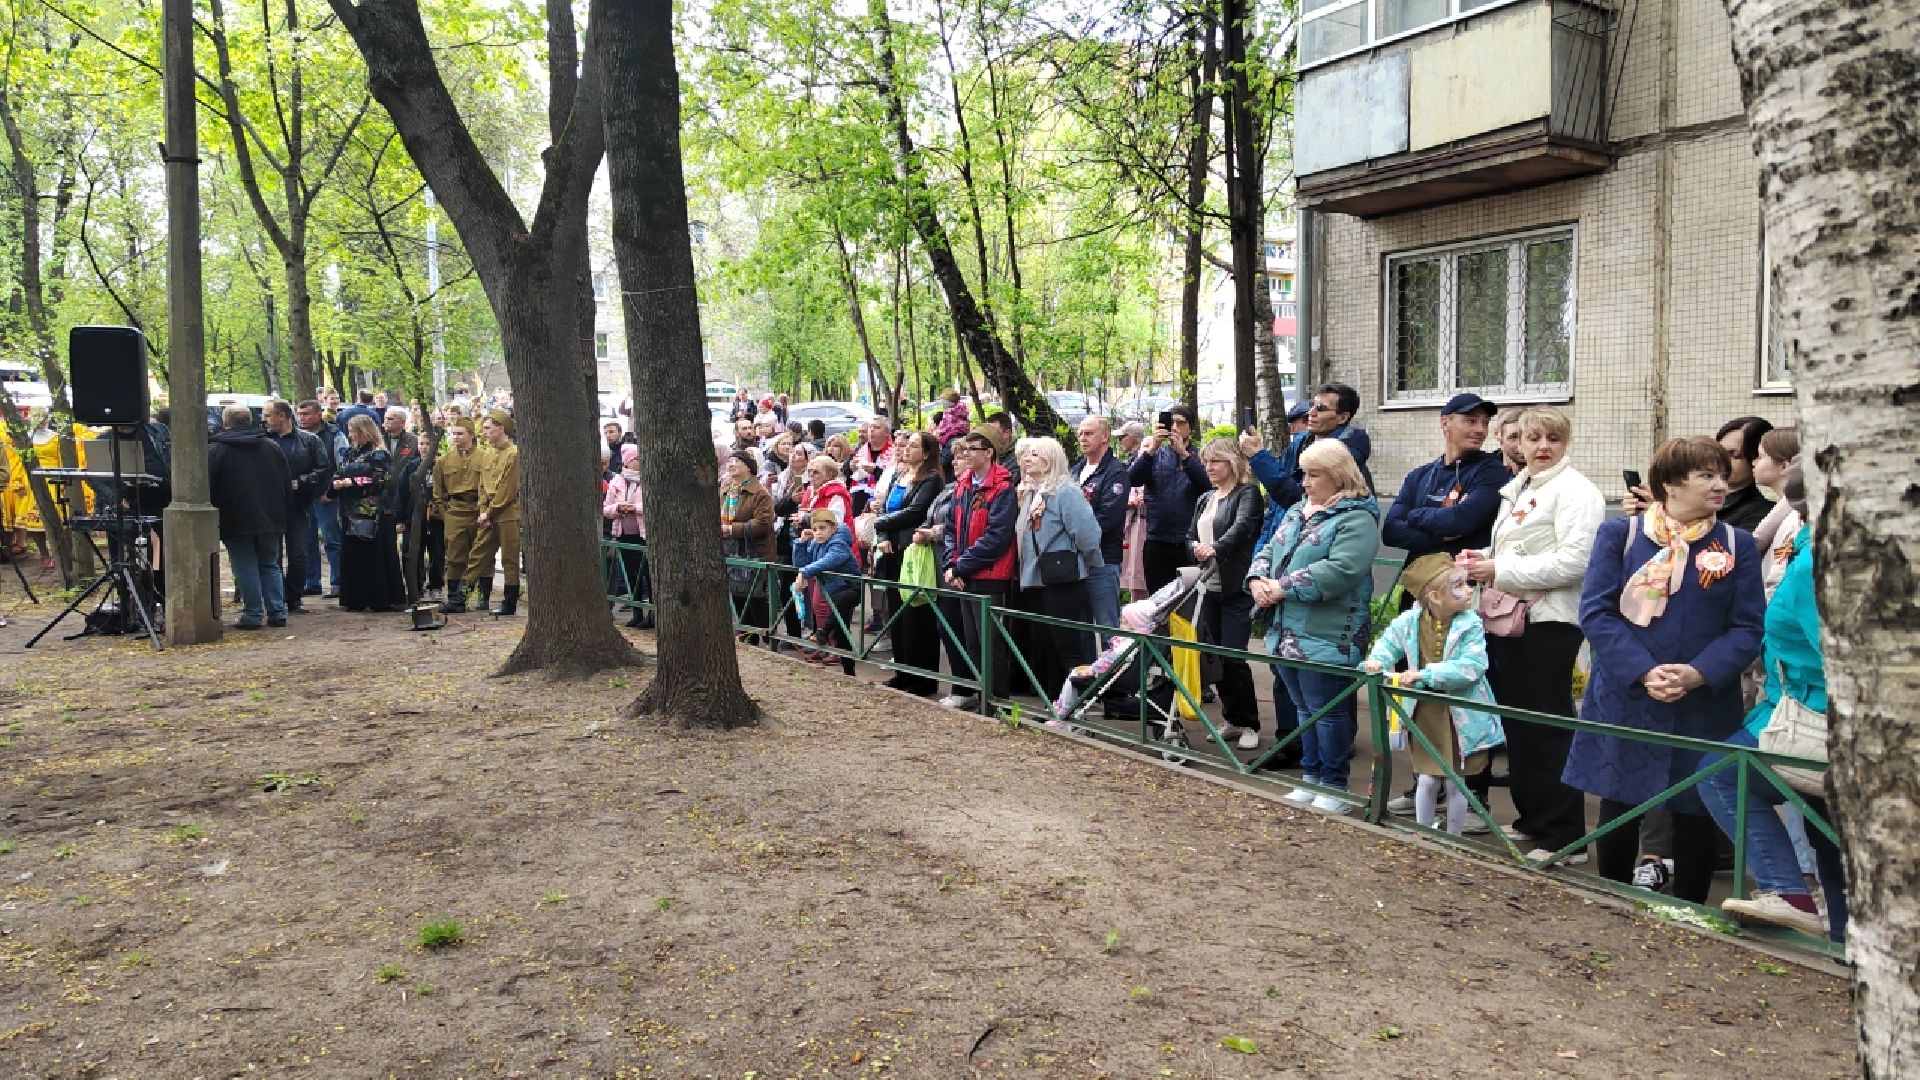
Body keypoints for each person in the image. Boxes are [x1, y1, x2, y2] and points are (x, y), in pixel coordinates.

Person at [1565, 436, 1764, 901]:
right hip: (1628, 691)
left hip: (1701, 698)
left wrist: (1698, 673)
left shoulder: (1737, 543)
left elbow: (1747, 625)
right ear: (1672, 484)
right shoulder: (1622, 535)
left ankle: (1691, 907)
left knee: (1696, 805)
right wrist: (1642, 671)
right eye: (1707, 476)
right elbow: (1596, 612)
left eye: (1722, 474)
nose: (1721, 484)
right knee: (1619, 799)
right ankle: (1612, 897)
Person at [1699, 463, 1845, 939]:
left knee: (1721, 771)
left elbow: (1839, 657)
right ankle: (1846, 943)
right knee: (1830, 831)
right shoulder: (1813, 551)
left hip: (1812, 715)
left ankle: (1789, 892)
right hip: (1800, 710)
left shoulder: (1815, 564)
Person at [1459, 405, 1604, 861]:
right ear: (1516, 442)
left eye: (1552, 439)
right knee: (1519, 724)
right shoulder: (1521, 486)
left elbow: (1576, 561)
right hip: (1512, 616)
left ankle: (1564, 835)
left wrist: (1498, 567)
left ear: (1566, 443)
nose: (1542, 447)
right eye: (1531, 438)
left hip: (1549, 621)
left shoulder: (1576, 491)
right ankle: (1534, 818)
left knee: (1545, 727)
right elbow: (1518, 543)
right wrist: (1480, 556)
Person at [1245, 439, 1381, 811]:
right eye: (1304, 473)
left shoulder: (1357, 518)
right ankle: (1311, 777)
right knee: (1304, 710)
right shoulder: (1297, 511)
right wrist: (1258, 580)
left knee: (1329, 712)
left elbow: (1342, 569)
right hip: (1286, 631)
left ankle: (1334, 787)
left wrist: (1282, 587)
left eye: (1314, 474)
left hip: (1328, 633)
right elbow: (1269, 549)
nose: (1305, 482)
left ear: (1338, 476)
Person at [1364, 553, 1505, 835]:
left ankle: (1452, 835)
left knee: (1456, 782)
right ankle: (1423, 831)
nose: (1468, 590)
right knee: (1427, 779)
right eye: (1459, 586)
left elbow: (1472, 666)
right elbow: (1388, 643)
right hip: (1426, 712)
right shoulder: (1409, 621)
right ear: (1435, 597)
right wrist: (1377, 660)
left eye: (1467, 584)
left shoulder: (1471, 624)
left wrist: (1426, 675)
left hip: (1462, 713)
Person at [1187, 437, 1265, 749]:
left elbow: (1242, 527)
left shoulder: (1247, 493)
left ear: (1232, 462)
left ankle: (1250, 724)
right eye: (1206, 462)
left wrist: (1215, 548)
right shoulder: (1205, 497)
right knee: (1215, 657)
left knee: (1234, 656)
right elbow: (1190, 533)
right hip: (1208, 588)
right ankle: (1231, 718)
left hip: (1236, 587)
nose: (1209, 468)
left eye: (1215, 461)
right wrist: (1194, 547)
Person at [1012, 436, 1104, 697]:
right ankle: (1055, 701)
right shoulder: (1033, 493)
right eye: (1026, 454)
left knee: (1066, 646)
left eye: (1034, 455)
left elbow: (1087, 533)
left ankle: (1075, 706)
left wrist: (1084, 561)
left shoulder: (1065, 491)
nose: (1026, 459)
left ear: (1050, 460)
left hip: (1061, 579)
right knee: (1046, 645)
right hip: (1036, 578)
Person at [1380, 393, 1506, 568]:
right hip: (1419, 585)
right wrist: (1442, 536)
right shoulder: (1419, 475)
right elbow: (1390, 532)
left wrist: (1414, 514)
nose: (1481, 430)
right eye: (1471, 421)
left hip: (1464, 585)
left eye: (1485, 423)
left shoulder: (1491, 472)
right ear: (1445, 423)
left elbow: (1458, 521)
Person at [940, 433, 1018, 709]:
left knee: (991, 642)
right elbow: (951, 528)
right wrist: (951, 564)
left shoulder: (1002, 486)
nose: (967, 454)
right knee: (972, 642)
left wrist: (962, 565)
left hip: (990, 576)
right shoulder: (963, 484)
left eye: (974, 449)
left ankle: (998, 702)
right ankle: (983, 696)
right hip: (964, 574)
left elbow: (997, 536)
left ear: (989, 453)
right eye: (965, 450)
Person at [869, 431, 944, 695]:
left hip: (913, 550)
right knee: (898, 614)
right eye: (907, 444)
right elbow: (886, 510)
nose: (907, 449)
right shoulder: (900, 475)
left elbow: (915, 512)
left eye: (914, 446)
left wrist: (877, 524)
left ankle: (922, 678)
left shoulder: (931, 479)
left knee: (917, 615)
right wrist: (883, 535)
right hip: (892, 549)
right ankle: (902, 672)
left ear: (926, 453)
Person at [208, 404, 292, 629]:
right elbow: (285, 481)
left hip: (235, 516)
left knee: (245, 565)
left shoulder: (217, 450)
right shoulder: (271, 446)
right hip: (270, 515)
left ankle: (253, 614)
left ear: (225, 423)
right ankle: (277, 611)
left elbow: (211, 486)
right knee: (270, 564)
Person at [1248, 381, 1373, 511]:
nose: (1311, 413)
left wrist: (1259, 457)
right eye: (1312, 406)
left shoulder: (1344, 452)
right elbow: (1276, 507)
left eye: (1320, 408)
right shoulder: (1300, 442)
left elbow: (1299, 500)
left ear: (1342, 418)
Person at [1126, 404, 1207, 592]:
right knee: (1158, 604)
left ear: (1191, 428)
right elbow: (1132, 479)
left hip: (1189, 543)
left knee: (1187, 607)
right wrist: (1152, 448)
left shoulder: (1200, 457)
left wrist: (1184, 455)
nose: (1175, 427)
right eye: (1171, 422)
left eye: (1181, 422)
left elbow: (1206, 487)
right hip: (1157, 541)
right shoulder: (1155, 455)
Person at [331, 414, 405, 613]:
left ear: (364, 432)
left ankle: (380, 598)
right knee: (354, 555)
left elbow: (382, 480)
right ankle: (356, 598)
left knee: (375, 556)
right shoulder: (350, 454)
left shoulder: (379, 454)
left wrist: (352, 482)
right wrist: (337, 483)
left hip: (375, 512)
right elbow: (340, 471)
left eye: (353, 431)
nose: (350, 435)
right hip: (350, 510)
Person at [262, 400, 328, 615]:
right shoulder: (262, 440)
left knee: (299, 552)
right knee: (272, 554)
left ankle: (294, 596)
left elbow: (324, 469)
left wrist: (301, 482)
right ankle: (277, 597)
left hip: (299, 504)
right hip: (269, 505)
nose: (264, 419)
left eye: (268, 415)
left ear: (282, 416)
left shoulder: (309, 440)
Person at [1049, 601, 1157, 725]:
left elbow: (1111, 660)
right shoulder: (1135, 639)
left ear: (1134, 624)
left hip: (1108, 674)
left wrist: (1093, 669)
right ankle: (1064, 709)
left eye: (1125, 622)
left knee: (1074, 675)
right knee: (1076, 671)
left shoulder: (1129, 642)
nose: (1121, 623)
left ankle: (1063, 713)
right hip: (1113, 672)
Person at [1073, 417, 1130, 630]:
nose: (1082, 438)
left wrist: (1076, 535)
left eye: (1088, 433)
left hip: (1102, 559)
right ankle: (1087, 666)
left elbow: (1108, 517)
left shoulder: (1115, 472)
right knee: (1081, 629)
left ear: (1105, 436)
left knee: (1108, 629)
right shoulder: (1076, 470)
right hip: (1076, 560)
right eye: (1080, 434)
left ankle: (1114, 666)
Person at [467, 410, 523, 616]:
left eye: (488, 428)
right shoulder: (488, 455)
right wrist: (483, 510)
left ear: (501, 429)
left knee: (509, 558)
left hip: (507, 512)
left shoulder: (514, 454)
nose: (485, 433)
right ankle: (461, 596)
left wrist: (488, 512)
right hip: (488, 514)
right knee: (477, 554)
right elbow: (482, 485)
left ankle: (510, 602)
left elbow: (508, 489)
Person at [793, 509, 861, 672]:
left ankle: (823, 631)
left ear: (834, 528)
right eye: (815, 529)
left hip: (850, 588)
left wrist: (805, 572)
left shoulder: (839, 543)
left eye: (823, 528)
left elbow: (830, 560)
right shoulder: (816, 543)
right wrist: (802, 543)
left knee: (841, 608)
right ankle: (849, 671)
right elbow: (802, 562)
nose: (818, 533)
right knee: (841, 632)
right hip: (833, 591)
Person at [720, 450, 776, 638]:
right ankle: (748, 638)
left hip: (754, 552)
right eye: (730, 460)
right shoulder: (727, 489)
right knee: (737, 596)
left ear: (748, 467)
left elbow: (763, 523)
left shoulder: (760, 493)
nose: (731, 464)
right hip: (731, 550)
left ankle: (769, 638)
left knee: (756, 598)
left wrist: (731, 529)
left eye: (736, 461)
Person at [296, 398, 348, 597]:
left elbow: (342, 464)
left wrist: (331, 490)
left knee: (332, 539)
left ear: (319, 414)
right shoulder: (295, 436)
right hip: (304, 495)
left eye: (306, 414)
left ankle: (338, 581)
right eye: (300, 414)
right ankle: (312, 581)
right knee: (306, 539)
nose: (302, 418)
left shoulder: (335, 435)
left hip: (327, 496)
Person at [432, 420, 484, 613]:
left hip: (478, 510)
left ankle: (483, 597)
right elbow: (438, 492)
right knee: (454, 556)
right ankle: (455, 598)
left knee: (481, 555)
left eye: (460, 433)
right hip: (455, 510)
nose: (456, 437)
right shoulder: (443, 461)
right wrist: (446, 514)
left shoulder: (484, 458)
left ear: (471, 434)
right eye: (453, 434)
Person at [1748, 427, 1803, 598]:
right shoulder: (1784, 514)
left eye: (1760, 456)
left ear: (1785, 466)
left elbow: (1778, 579)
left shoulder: (1795, 518)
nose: (1753, 462)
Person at [603, 444, 650, 629]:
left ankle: (652, 613)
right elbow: (606, 508)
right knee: (631, 575)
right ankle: (637, 611)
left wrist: (635, 508)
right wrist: (618, 508)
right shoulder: (617, 481)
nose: (638, 462)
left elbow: (651, 505)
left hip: (643, 535)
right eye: (635, 459)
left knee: (647, 574)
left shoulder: (647, 480)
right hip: (624, 534)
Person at [1494, 411, 1527, 476]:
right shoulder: (1485, 473)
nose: (1522, 445)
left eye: (1529, 437)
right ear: (1498, 435)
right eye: (1514, 437)